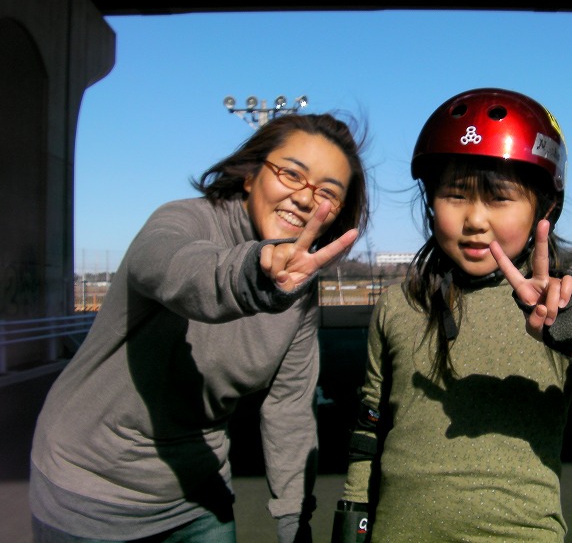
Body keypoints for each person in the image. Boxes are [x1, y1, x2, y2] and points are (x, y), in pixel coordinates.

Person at [331, 88, 572, 542]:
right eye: (455, 194)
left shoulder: (564, 303)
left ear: (545, 207)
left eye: (499, 198)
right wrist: (351, 526)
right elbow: (368, 432)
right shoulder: (399, 305)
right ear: (430, 200)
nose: (475, 220)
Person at [29, 111, 370, 543]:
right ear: (250, 177)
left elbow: (289, 408)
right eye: (291, 174)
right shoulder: (181, 221)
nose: (306, 199)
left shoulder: (299, 290)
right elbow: (172, 268)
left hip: (200, 492)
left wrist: (294, 519)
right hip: (89, 486)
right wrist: (254, 275)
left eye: (327, 193)